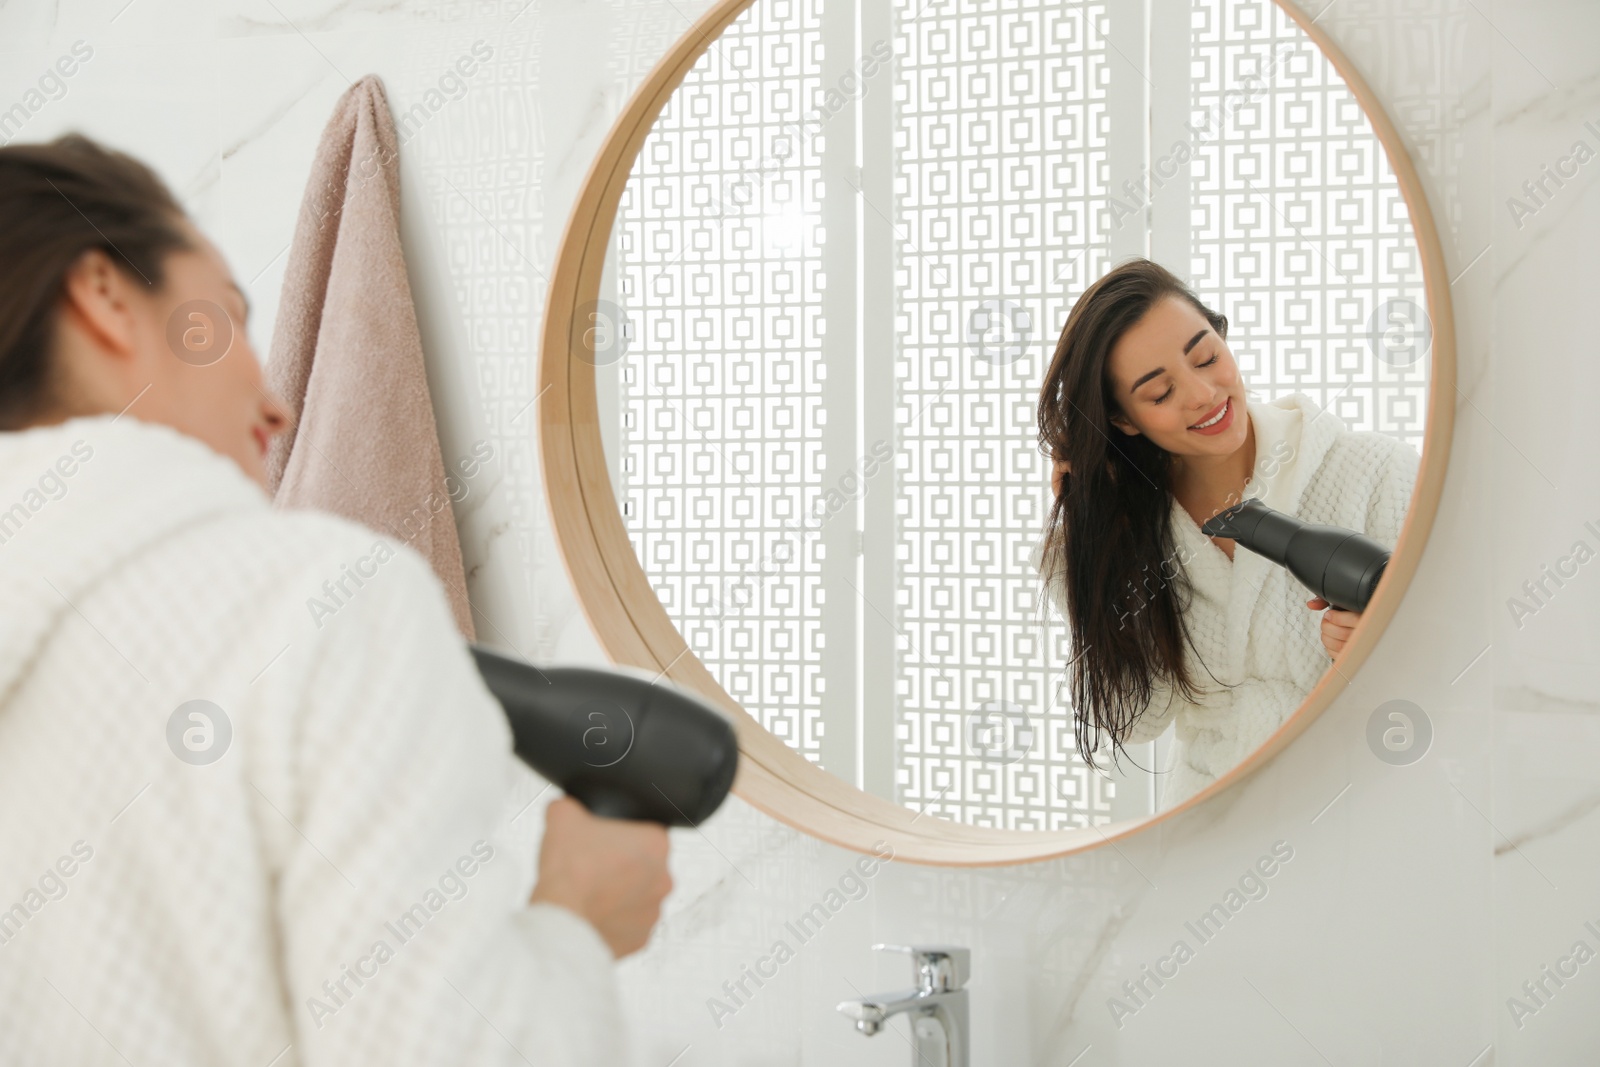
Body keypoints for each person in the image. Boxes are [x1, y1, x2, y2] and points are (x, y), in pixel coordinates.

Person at [0, 133, 672, 1066]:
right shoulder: (317, 603)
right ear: (106, 297)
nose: (277, 409)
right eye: (226, 318)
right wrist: (577, 925)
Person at [1033, 258, 1419, 810]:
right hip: (1213, 822)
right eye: (1160, 393)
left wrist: (1385, 652)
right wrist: (1089, 542)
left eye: (1206, 357)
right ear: (1123, 421)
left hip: (1364, 805)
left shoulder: (1374, 472)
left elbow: (1465, 658)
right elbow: (1141, 718)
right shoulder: (1141, 530)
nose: (1202, 394)